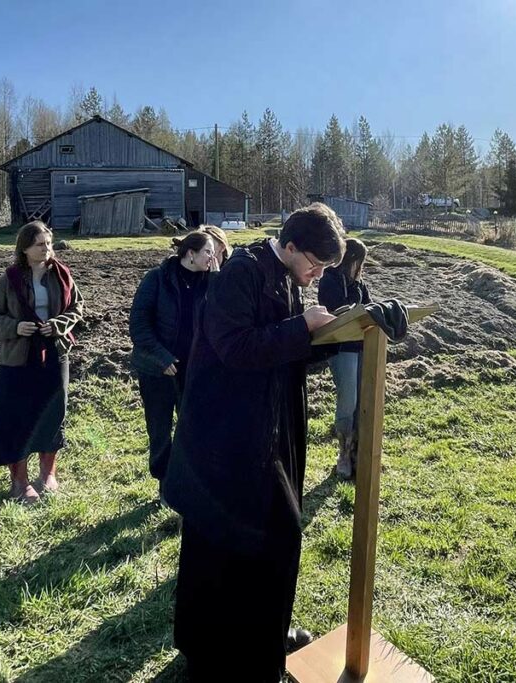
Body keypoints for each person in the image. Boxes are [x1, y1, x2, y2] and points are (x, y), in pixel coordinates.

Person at [163, 203, 344, 682]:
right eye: (316, 264)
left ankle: (259, 635)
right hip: (226, 441)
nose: (317, 275)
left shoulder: (281, 276)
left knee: (248, 546)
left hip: (261, 433)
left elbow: (281, 353)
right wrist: (301, 328)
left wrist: (339, 333)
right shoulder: (240, 274)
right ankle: (230, 653)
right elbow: (237, 348)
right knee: (240, 542)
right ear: (289, 246)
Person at [0, 221, 84, 504]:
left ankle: (48, 474)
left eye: (49, 243)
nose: (47, 249)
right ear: (25, 248)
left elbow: (76, 307)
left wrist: (59, 325)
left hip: (53, 354)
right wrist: (15, 327)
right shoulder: (9, 280)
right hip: (16, 359)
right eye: (40, 244)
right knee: (17, 417)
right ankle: (20, 481)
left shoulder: (62, 275)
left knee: (52, 414)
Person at [129, 231, 218, 504]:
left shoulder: (210, 282)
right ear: (190, 254)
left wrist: (216, 279)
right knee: (160, 429)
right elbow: (139, 325)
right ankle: (165, 483)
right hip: (158, 370)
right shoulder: (157, 279)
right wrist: (162, 358)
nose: (213, 257)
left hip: (194, 370)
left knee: (193, 428)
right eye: (208, 252)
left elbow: (221, 317)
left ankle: (189, 482)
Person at [317, 237, 371, 479]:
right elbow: (331, 312)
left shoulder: (359, 285)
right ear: (351, 259)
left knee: (363, 401)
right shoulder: (329, 280)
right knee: (347, 401)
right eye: (360, 262)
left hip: (364, 347)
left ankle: (360, 451)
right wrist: (350, 311)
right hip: (342, 349)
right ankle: (343, 452)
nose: (361, 267)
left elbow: (370, 309)